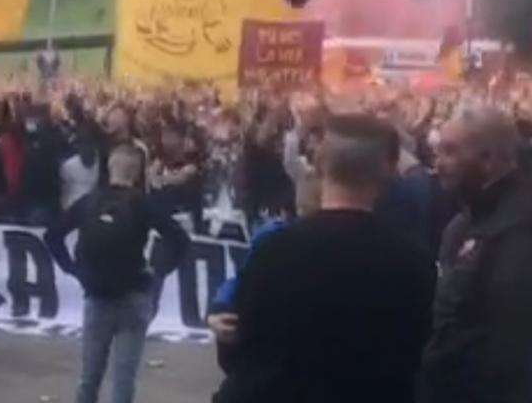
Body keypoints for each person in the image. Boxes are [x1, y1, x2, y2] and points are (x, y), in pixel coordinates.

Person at [212, 115, 435, 403]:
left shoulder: (276, 250)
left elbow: (241, 350)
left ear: (319, 166)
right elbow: (418, 359)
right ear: (390, 171)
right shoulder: (414, 263)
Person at [46, 143, 190, 403]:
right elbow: (179, 238)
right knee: (124, 381)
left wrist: (73, 269)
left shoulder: (89, 202)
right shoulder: (143, 204)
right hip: (134, 292)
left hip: (97, 294)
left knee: (89, 377)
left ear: (110, 165)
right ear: (137, 172)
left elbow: (53, 236)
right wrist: (160, 272)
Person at [420, 106, 532, 403]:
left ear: (489, 158)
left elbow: (508, 345)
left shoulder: (518, 227)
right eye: (438, 152)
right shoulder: (466, 222)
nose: (439, 164)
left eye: (450, 152)